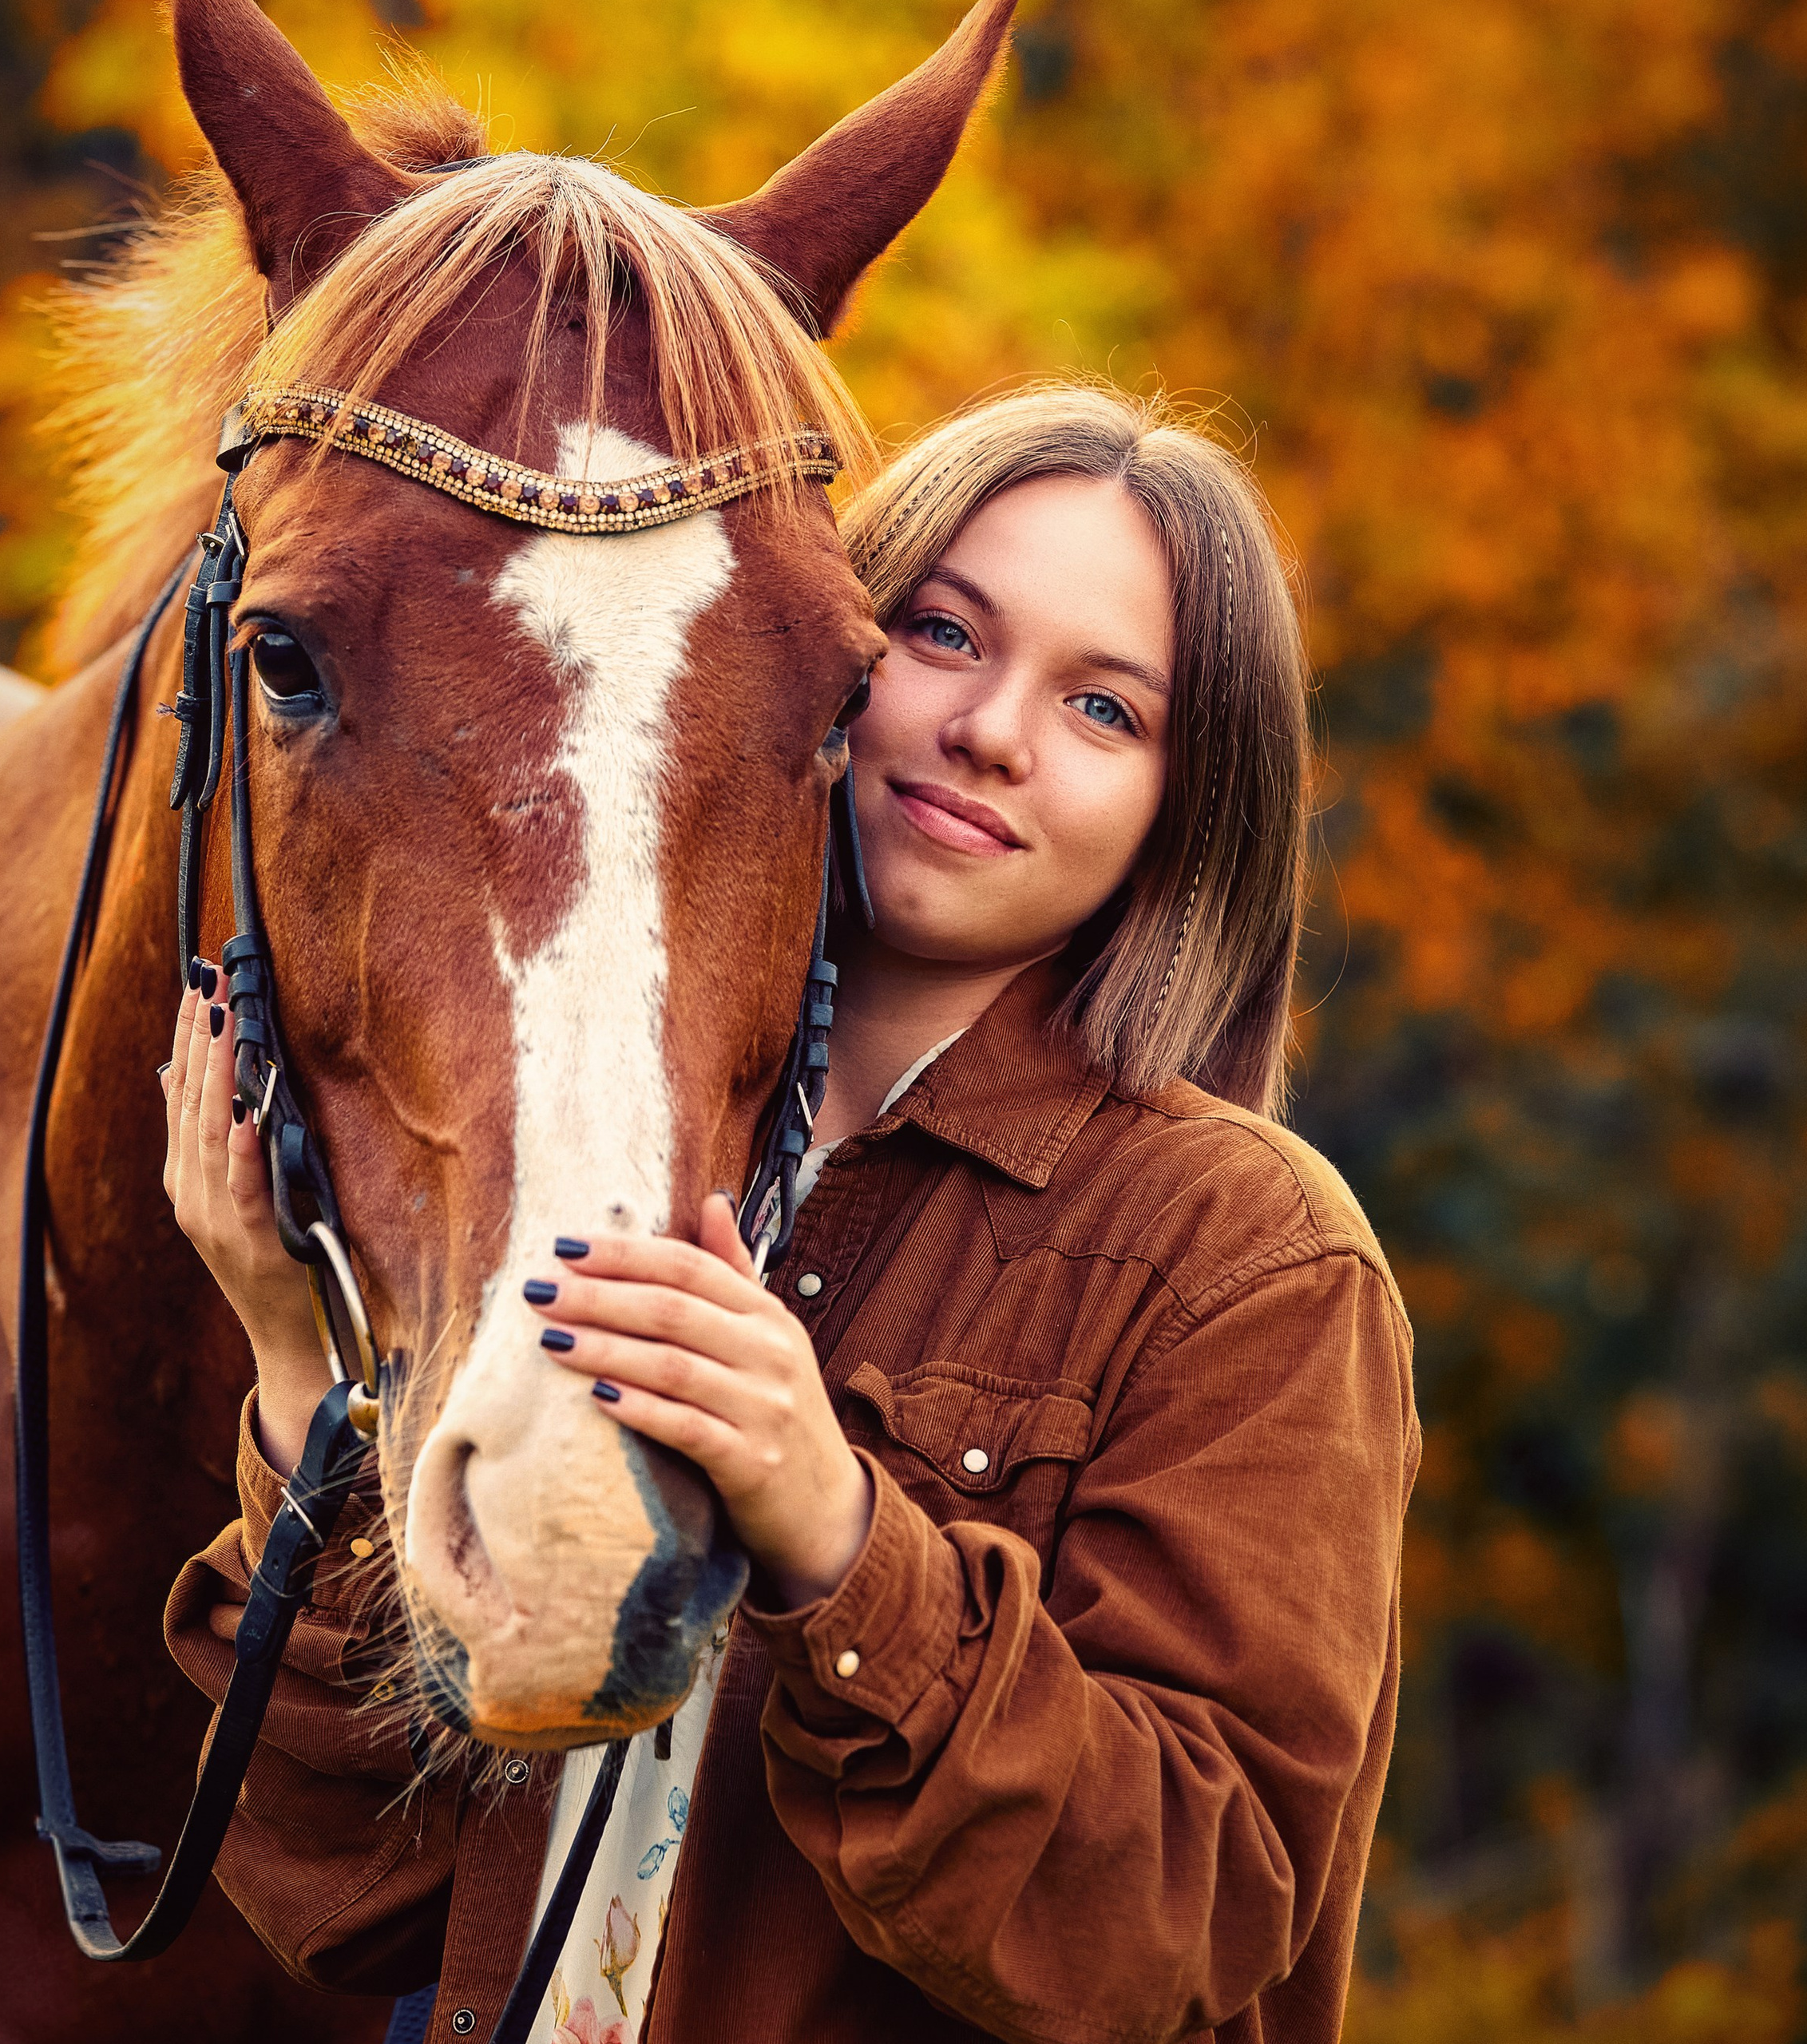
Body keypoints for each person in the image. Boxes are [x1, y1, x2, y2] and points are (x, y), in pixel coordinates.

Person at [160, 381, 1417, 2044]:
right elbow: (341, 1890)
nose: (990, 730)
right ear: (812, 654)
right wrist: (291, 1365)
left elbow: (1186, 1919)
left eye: (1105, 710)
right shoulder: (603, 1144)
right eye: (946, 633)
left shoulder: (1244, 1254)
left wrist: (835, 1534)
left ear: (1189, 805)